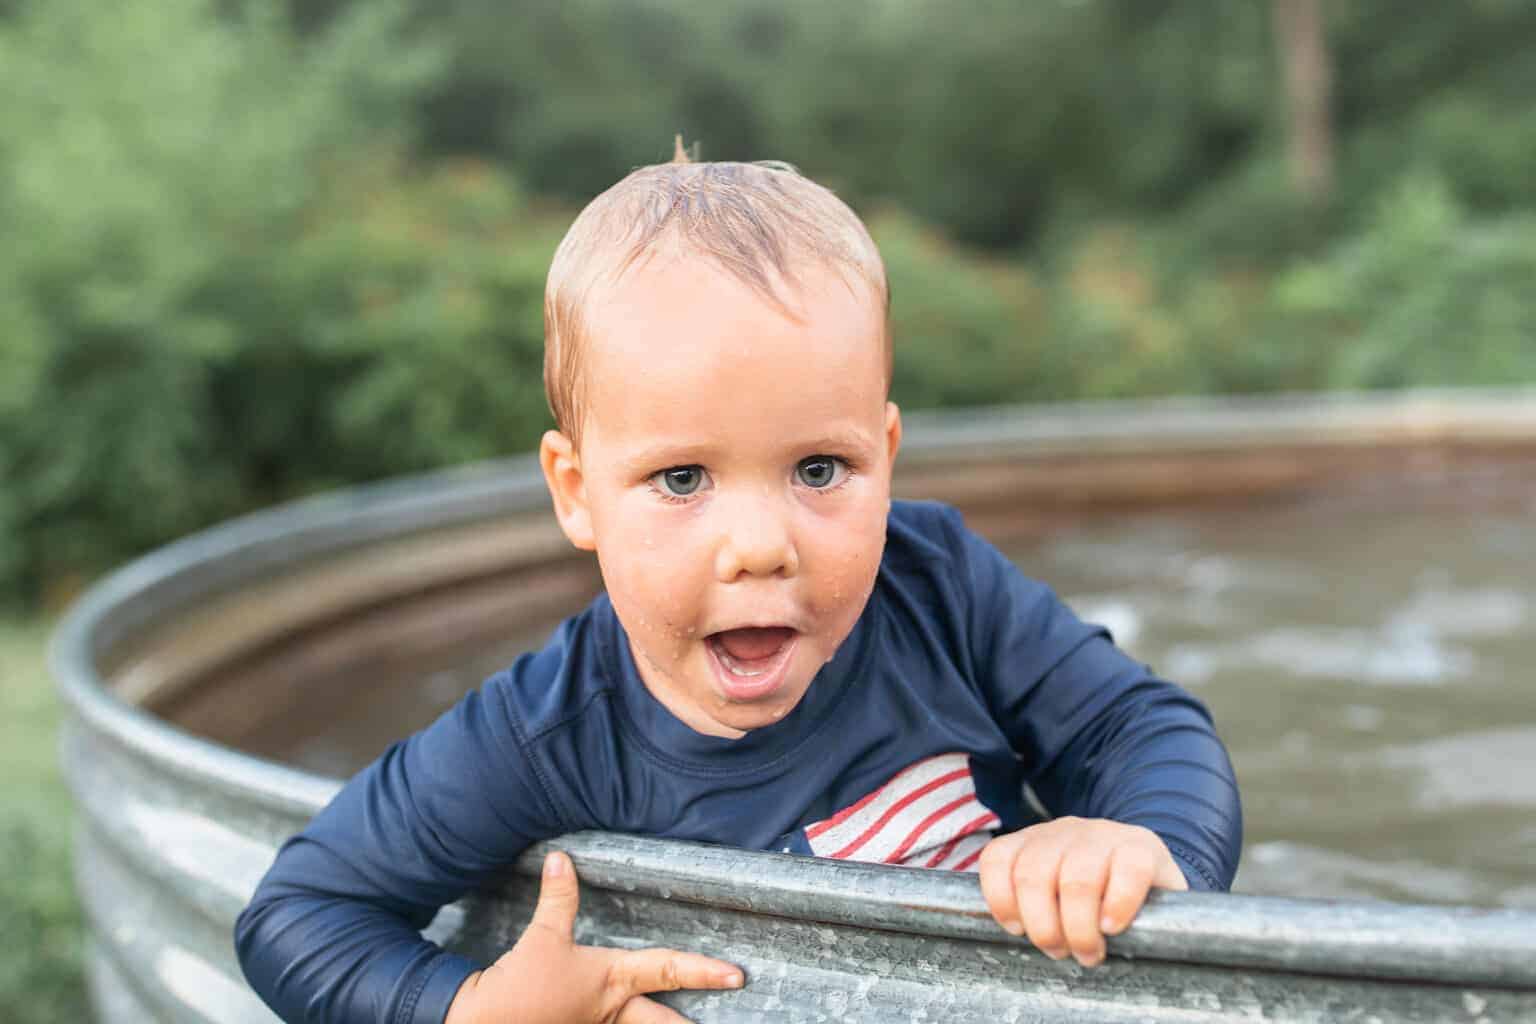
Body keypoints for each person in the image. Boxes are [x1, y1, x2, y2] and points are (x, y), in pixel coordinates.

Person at [235, 145, 1242, 1024]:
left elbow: (1141, 728)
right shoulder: (550, 730)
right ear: (576, 493)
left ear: (884, 460)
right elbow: (299, 913)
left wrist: (1134, 840)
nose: (760, 547)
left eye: (818, 470)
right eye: (683, 479)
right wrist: (468, 1007)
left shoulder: (934, 583)